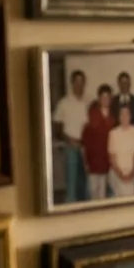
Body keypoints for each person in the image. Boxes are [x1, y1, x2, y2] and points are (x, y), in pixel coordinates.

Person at [52, 71, 90, 202]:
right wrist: (68, 139)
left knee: (85, 184)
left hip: (85, 148)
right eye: (76, 81)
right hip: (70, 147)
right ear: (72, 83)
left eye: (81, 81)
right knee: (71, 184)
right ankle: (70, 206)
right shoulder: (64, 103)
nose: (79, 85)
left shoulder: (87, 102)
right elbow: (56, 127)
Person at [107, 103, 134, 198]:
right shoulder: (113, 133)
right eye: (122, 114)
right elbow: (112, 159)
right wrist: (121, 175)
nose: (125, 117)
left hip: (131, 174)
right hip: (117, 175)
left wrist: (132, 173)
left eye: (127, 114)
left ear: (130, 116)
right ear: (119, 117)